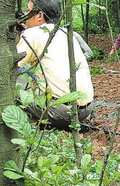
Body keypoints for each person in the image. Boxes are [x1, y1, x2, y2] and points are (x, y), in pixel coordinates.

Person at [16, 0, 94, 131]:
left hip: (59, 111)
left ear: (39, 15)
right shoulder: (66, 33)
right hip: (86, 109)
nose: (25, 15)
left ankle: (21, 121)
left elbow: (10, 64)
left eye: (28, 11)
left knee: (13, 76)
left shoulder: (32, 34)